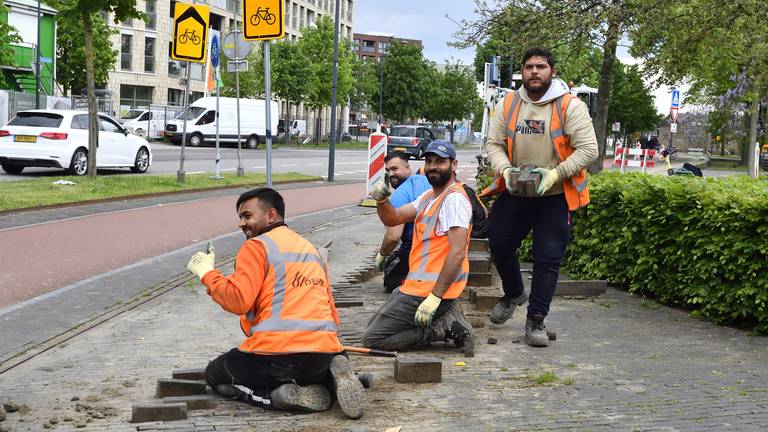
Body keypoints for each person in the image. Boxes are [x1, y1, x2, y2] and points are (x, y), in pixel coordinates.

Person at [185, 188, 366, 419]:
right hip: (325, 352)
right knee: (311, 367)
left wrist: (207, 274)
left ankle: (277, 397)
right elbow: (331, 311)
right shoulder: (313, 251)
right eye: (240, 217)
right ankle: (331, 378)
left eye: (247, 216)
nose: (242, 223)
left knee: (215, 374)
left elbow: (239, 300)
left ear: (271, 216)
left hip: (276, 357)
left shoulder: (256, 246)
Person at [481, 47, 598, 347]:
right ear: (522, 71)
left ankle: (536, 321)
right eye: (529, 66)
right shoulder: (508, 103)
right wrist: (505, 170)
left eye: (541, 66)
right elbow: (493, 143)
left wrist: (555, 174)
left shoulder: (569, 106)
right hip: (516, 190)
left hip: (554, 196)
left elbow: (589, 150)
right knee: (497, 239)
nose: (535, 71)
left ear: (552, 71)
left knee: (548, 259)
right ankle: (514, 293)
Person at [363, 140, 476, 356]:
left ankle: (440, 328)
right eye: (429, 161)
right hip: (415, 286)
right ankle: (445, 318)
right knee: (373, 326)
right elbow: (394, 218)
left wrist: (435, 297)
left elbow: (457, 252)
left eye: (440, 162)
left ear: (454, 165)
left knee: (372, 339)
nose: (433, 166)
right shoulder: (428, 197)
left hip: (430, 291)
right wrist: (382, 201)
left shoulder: (454, 200)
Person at [375, 152, 432, 292]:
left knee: (390, 277)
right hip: (436, 248)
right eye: (388, 170)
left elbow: (393, 236)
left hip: (416, 249)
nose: (391, 174)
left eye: (395, 169)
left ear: (407, 168)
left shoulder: (401, 194)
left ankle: (413, 283)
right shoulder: (425, 181)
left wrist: (382, 254)